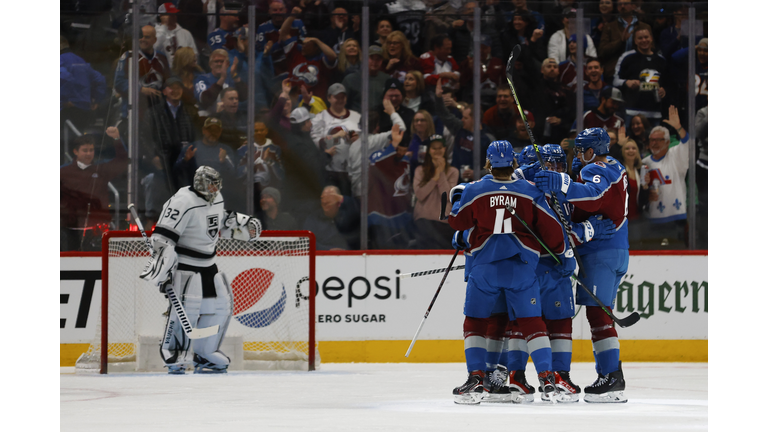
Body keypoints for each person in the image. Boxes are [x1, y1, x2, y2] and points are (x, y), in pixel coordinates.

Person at [448, 140, 577, 404]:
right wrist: (561, 252)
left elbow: (458, 221)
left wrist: (456, 213)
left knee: (475, 321)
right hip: (521, 269)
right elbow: (553, 233)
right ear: (513, 163)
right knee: (533, 323)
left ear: (488, 163)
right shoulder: (529, 191)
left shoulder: (475, 189)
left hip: (484, 269)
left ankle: (476, 378)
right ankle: (547, 378)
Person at [533, 127, 629, 403]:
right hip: (614, 249)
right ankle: (611, 375)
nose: (576, 156)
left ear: (590, 151)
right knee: (600, 314)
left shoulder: (595, 169)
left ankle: (611, 377)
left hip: (602, 252)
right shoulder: (616, 165)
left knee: (599, 316)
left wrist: (560, 184)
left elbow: (594, 195)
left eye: (579, 150)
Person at [139, 166, 262, 374]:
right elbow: (163, 237)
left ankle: (205, 353)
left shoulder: (216, 197)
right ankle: (174, 352)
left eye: (216, 183)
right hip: (186, 265)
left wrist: (236, 223)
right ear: (199, 183)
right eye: (210, 183)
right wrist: (162, 269)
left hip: (209, 264)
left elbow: (216, 222)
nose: (214, 188)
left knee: (220, 307)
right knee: (187, 308)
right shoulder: (183, 201)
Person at [139, 76, 198, 224]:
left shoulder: (189, 112)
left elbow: (194, 135)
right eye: (172, 88)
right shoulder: (153, 112)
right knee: (154, 182)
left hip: (184, 160)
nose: (175, 91)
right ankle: (151, 219)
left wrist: (190, 153)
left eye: (178, 88)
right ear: (164, 91)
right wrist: (154, 156)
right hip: (161, 161)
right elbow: (144, 137)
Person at [60, 127, 128, 251]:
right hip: (69, 231)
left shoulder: (101, 170)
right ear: (75, 151)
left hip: (98, 230)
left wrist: (117, 139)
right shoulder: (63, 172)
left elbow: (122, 161)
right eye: (84, 150)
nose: (88, 153)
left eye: (91, 150)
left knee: (99, 266)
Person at [641, 106, 690, 247]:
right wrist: (646, 195)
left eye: (659, 140)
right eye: (652, 140)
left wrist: (679, 128)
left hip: (676, 220)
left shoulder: (675, 156)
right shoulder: (645, 163)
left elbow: (686, 144)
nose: (654, 143)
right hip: (652, 220)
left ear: (668, 142)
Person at [434, 79, 491, 182]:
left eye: (465, 118)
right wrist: (438, 97)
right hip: (454, 181)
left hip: (477, 184)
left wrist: (478, 173)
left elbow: (495, 166)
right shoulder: (459, 128)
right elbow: (444, 114)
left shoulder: (488, 139)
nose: (462, 120)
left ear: (475, 120)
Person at [613, 27, 667, 127]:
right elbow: (615, 81)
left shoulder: (661, 60)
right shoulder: (627, 57)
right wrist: (626, 82)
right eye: (640, 38)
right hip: (632, 112)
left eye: (646, 37)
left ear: (651, 38)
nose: (644, 40)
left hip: (655, 113)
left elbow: (666, 83)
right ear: (635, 41)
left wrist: (664, 90)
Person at [412, 135, 459, 249]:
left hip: (444, 224)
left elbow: (448, 196)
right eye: (434, 148)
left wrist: (441, 173)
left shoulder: (453, 171)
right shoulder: (420, 170)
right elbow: (420, 195)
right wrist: (435, 176)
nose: (437, 151)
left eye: (440, 147)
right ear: (429, 150)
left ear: (445, 149)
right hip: (423, 222)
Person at [114, 25, 171, 119]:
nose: (143, 39)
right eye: (141, 36)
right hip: (132, 113)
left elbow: (168, 82)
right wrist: (141, 89)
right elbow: (119, 82)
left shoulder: (162, 58)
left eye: (147, 37)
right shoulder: (129, 57)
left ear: (155, 40)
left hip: (157, 112)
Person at [60, 36, 106, 136]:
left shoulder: (60, 60)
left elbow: (65, 77)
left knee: (65, 145)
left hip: (67, 109)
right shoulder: (80, 60)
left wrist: (64, 99)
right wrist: (96, 99)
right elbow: (100, 79)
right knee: (79, 141)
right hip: (84, 108)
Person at [598, 0, 652, 83]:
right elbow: (602, 51)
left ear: (633, 6)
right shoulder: (610, 27)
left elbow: (652, 49)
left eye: (626, 4)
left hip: (640, 69)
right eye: (620, 4)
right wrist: (621, 41)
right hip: (615, 70)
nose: (622, 6)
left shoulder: (644, 26)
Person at [302, 185, 361, 250]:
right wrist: (328, 250)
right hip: (323, 257)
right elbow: (306, 241)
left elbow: (358, 210)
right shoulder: (313, 218)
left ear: (338, 203)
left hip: (351, 256)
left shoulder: (347, 215)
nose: (325, 201)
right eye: (323, 199)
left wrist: (342, 198)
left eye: (329, 200)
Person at [193, 49, 246, 117]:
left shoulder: (231, 79)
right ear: (210, 64)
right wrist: (222, 79)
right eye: (216, 61)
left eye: (222, 61)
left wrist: (234, 75)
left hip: (228, 120)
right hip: (207, 119)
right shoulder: (202, 79)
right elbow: (205, 100)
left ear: (227, 64)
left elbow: (244, 97)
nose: (219, 64)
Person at [342, 45, 390, 112]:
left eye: (378, 59)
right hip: (355, 119)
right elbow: (342, 105)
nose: (375, 61)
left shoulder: (387, 79)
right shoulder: (350, 80)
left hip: (379, 120)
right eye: (372, 58)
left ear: (381, 61)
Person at [154, 3, 198, 68]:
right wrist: (163, 27)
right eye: (170, 14)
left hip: (184, 71)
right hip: (164, 71)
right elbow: (154, 50)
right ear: (161, 16)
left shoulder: (185, 33)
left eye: (175, 14)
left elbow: (195, 55)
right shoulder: (155, 32)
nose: (174, 16)